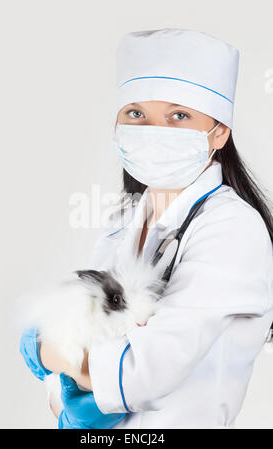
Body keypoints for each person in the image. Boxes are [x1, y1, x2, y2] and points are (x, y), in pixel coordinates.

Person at [20, 28, 273, 429]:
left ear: (219, 133)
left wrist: (43, 347)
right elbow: (76, 358)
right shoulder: (124, 221)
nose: (155, 130)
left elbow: (140, 374)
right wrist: (65, 389)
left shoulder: (232, 227)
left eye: (179, 116)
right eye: (136, 113)